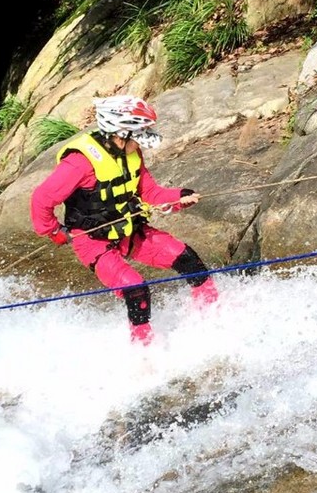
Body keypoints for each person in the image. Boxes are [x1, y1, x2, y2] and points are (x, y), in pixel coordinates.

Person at [30, 95, 218, 345]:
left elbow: (150, 193)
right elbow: (41, 199)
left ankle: (214, 315)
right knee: (135, 288)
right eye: (137, 137)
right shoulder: (79, 163)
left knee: (187, 258)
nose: (139, 144)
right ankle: (143, 349)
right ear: (119, 136)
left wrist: (178, 197)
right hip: (92, 241)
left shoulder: (131, 153)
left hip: (130, 231)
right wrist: (54, 232)